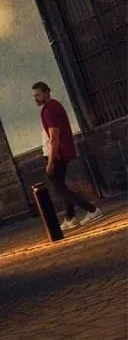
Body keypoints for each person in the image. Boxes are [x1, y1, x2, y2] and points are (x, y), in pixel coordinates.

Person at [32, 81, 102, 231]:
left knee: (60, 189)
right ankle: (70, 218)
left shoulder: (49, 109)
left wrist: (50, 161)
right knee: (62, 186)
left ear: (46, 92)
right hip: (59, 152)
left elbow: (54, 137)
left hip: (55, 154)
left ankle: (92, 209)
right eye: (34, 96)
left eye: (38, 94)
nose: (35, 98)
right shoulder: (54, 106)